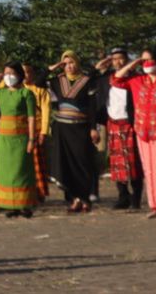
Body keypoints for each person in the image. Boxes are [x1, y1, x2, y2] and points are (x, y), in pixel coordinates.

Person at [112, 47, 156, 219]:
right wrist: (134, 63)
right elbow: (116, 80)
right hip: (143, 132)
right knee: (150, 170)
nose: (146, 63)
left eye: (149, 60)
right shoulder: (137, 80)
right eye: (143, 61)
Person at [0, 63, 38, 217]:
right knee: (6, 173)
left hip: (21, 138)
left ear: (19, 75)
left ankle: (24, 205)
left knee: (21, 171)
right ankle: (9, 205)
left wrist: (31, 139)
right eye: (5, 73)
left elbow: (32, 118)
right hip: (4, 139)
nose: (8, 76)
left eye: (11, 73)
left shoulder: (26, 93)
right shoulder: (0, 92)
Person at [48, 51, 102, 213]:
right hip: (62, 129)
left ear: (77, 63)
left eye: (71, 62)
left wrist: (94, 128)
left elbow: (93, 106)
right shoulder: (57, 81)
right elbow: (37, 81)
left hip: (81, 127)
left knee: (82, 163)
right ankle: (75, 200)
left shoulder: (86, 80)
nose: (69, 66)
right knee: (68, 165)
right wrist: (52, 68)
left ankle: (85, 199)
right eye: (65, 63)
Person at [96, 49, 142, 210]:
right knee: (116, 163)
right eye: (114, 59)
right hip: (112, 123)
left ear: (127, 60)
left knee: (134, 163)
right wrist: (98, 67)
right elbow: (89, 80)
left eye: (121, 59)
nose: (118, 62)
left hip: (131, 123)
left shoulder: (136, 77)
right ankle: (123, 196)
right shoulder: (105, 78)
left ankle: (136, 198)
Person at [22, 64, 52, 203]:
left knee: (37, 164)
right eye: (22, 73)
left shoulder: (40, 90)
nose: (25, 75)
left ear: (32, 74)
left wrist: (44, 132)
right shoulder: (16, 90)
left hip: (37, 130)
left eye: (27, 72)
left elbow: (46, 111)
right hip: (19, 131)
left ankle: (39, 193)